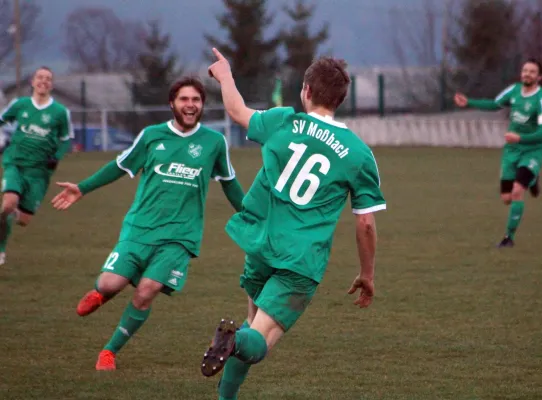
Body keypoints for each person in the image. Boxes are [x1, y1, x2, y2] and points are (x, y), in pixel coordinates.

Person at [200, 48, 386, 400]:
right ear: (341, 99)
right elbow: (365, 224)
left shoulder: (283, 121)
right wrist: (368, 274)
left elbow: (237, 110)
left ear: (306, 91)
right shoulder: (359, 153)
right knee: (258, 342)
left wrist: (225, 75)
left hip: (260, 245)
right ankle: (233, 339)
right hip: (300, 260)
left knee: (253, 328)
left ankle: (227, 390)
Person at [51, 76, 245, 370]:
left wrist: (250, 214)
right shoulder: (151, 136)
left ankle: (109, 351)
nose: (190, 105)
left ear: (202, 105)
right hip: (140, 228)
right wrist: (82, 188)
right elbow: (119, 166)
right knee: (109, 282)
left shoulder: (214, 142)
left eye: (196, 100)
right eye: (184, 99)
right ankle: (102, 292)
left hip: (180, 236)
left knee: (147, 289)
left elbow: (229, 182)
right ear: (172, 103)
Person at [454, 58, 542, 248]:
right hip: (512, 151)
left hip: (532, 151)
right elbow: (495, 104)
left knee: (517, 192)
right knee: (506, 198)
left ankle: (509, 238)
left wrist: (520, 138)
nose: (527, 74)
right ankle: (533, 179)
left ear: (539, 77)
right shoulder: (514, 91)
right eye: (525, 70)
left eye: (532, 72)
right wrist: (469, 102)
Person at [0, 66, 73, 265]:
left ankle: (15, 211)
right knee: (8, 203)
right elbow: (2, 120)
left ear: (51, 84)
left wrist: (56, 156)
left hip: (39, 171)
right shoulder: (20, 104)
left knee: (23, 220)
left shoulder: (60, 112)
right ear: (32, 82)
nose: (43, 81)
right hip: (15, 162)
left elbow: (66, 139)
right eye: (40, 77)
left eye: (48, 78)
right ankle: (1, 249)